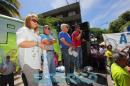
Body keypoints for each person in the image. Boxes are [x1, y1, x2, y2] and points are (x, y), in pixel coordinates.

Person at [16, 13, 45, 86]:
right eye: (34, 20)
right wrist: (37, 44)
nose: (36, 22)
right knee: (33, 84)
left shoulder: (36, 35)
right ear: (28, 20)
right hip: (28, 63)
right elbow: (21, 43)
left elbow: (38, 50)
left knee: (35, 83)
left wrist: (40, 64)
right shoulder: (23, 30)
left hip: (36, 64)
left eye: (37, 21)